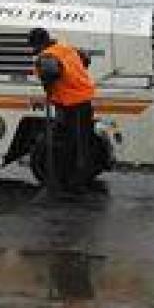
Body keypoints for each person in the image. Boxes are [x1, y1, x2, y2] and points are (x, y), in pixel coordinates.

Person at [28, 27, 98, 193]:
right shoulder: (66, 48)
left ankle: (75, 183)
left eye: (34, 46)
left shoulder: (47, 56)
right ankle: (74, 179)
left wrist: (48, 86)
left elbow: (51, 73)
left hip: (73, 104)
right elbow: (86, 59)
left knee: (73, 144)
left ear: (39, 43)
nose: (34, 50)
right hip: (82, 100)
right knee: (80, 142)